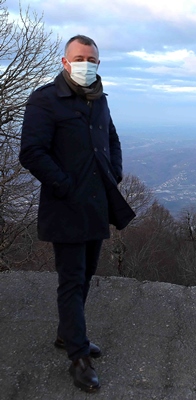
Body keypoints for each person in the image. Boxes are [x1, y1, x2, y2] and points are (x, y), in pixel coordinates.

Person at [19, 34, 135, 393]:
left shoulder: (99, 99)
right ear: (65, 61)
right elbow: (32, 152)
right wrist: (65, 185)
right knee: (71, 278)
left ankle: (68, 334)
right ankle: (78, 356)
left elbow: (111, 138)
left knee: (85, 275)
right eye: (80, 57)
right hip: (65, 204)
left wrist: (114, 172)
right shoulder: (45, 100)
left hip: (96, 203)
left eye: (92, 59)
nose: (87, 64)